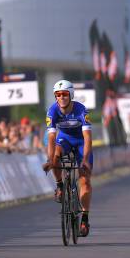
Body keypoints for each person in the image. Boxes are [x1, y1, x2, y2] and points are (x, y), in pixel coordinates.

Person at [42, 80, 93, 237]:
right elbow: (51, 138)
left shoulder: (82, 111)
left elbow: (88, 138)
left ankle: (84, 218)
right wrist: (50, 159)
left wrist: (84, 159)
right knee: (55, 157)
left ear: (70, 95)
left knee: (84, 181)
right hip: (64, 139)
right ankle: (59, 185)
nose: (61, 97)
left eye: (65, 94)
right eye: (58, 95)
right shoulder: (52, 111)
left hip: (81, 142)